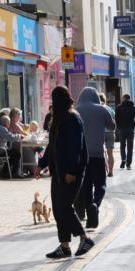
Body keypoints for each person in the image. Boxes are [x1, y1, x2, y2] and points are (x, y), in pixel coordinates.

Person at [35, 86, 94, 259]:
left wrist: (72, 171)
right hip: (59, 172)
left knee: (65, 207)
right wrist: (42, 164)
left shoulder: (72, 118)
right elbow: (52, 146)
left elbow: (77, 148)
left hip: (71, 172)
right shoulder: (59, 119)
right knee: (58, 209)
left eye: (54, 99)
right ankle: (64, 246)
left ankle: (84, 238)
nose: (53, 103)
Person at [76, 87, 115, 229]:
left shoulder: (76, 110)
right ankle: (95, 203)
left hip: (81, 156)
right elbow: (112, 126)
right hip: (97, 154)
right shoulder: (102, 109)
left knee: (85, 185)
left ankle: (89, 215)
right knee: (101, 184)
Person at [115, 94, 135, 170]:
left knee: (122, 146)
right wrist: (133, 125)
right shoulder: (133, 107)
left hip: (122, 129)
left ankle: (123, 159)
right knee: (130, 147)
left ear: (123, 98)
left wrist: (119, 126)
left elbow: (116, 118)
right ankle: (128, 164)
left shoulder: (119, 107)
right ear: (129, 99)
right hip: (130, 129)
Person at [98, 94, 117, 177]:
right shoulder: (110, 109)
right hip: (110, 132)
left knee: (99, 152)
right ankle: (111, 171)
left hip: (100, 132)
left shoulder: (97, 108)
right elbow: (113, 119)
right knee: (110, 153)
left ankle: (101, 171)